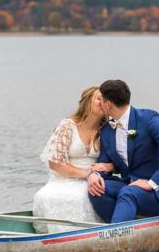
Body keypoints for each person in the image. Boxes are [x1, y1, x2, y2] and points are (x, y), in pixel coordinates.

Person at [87, 79, 159, 224]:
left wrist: (152, 183)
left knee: (128, 193)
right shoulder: (107, 130)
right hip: (129, 185)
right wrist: (94, 175)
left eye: (101, 100)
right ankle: (120, 227)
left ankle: (116, 234)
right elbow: (102, 164)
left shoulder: (148, 119)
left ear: (108, 104)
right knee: (97, 189)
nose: (100, 103)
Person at [32, 86, 112, 232]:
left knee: (82, 197)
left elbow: (118, 160)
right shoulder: (68, 125)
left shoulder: (107, 128)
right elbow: (55, 163)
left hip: (94, 178)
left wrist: (106, 169)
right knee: (45, 195)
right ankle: (55, 236)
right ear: (88, 101)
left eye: (106, 100)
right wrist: (87, 174)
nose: (103, 102)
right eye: (99, 98)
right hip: (64, 178)